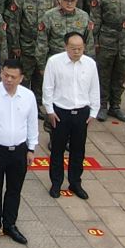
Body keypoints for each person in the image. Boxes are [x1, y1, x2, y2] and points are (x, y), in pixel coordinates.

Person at [0, 58, 39, 245]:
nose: (8, 80)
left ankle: (10, 224)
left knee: (14, 189)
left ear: (21, 78)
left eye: (13, 77)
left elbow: (32, 124)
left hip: (19, 150)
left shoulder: (28, 96)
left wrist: (31, 148)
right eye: (5, 75)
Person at [41, 31, 98, 198]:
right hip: (60, 112)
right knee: (57, 150)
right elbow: (48, 88)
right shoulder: (54, 62)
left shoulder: (90, 64)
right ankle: (56, 183)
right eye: (73, 48)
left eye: (80, 48)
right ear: (65, 46)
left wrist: (93, 112)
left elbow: (94, 89)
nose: (77, 52)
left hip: (82, 112)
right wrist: (50, 111)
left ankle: (75, 183)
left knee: (78, 150)